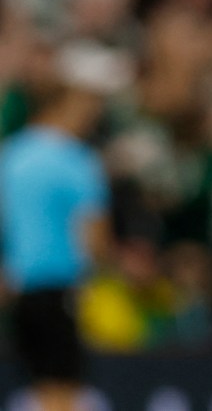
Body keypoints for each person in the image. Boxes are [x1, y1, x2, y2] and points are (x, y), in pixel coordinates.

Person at [0, 40, 129, 411]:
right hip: (62, 294)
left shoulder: (12, 154)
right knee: (63, 396)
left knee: (41, 392)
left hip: (21, 297)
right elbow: (96, 243)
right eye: (95, 100)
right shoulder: (79, 163)